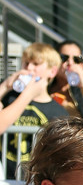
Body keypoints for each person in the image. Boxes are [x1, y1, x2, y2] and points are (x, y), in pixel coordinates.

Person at [0, 43, 68, 177]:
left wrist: (29, 94)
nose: (29, 68)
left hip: (36, 181)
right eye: (26, 63)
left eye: (36, 64)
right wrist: (6, 86)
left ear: (52, 71)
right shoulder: (10, 97)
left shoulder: (59, 112)